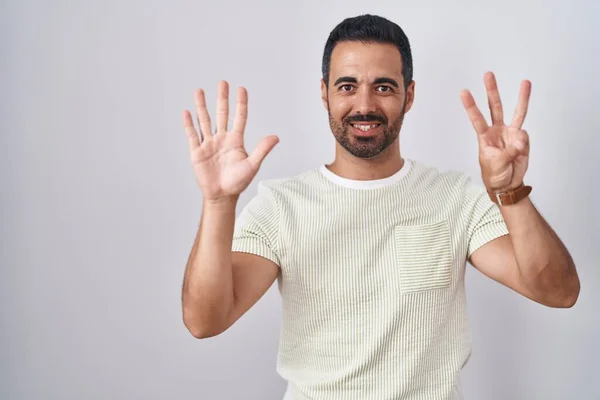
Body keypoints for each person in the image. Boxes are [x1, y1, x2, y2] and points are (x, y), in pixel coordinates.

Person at [180, 14, 580, 400]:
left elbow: (558, 292)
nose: (365, 105)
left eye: (384, 87)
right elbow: (205, 321)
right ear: (325, 93)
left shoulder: (455, 199)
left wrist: (510, 190)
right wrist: (218, 203)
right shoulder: (281, 206)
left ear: (409, 95)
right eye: (348, 86)